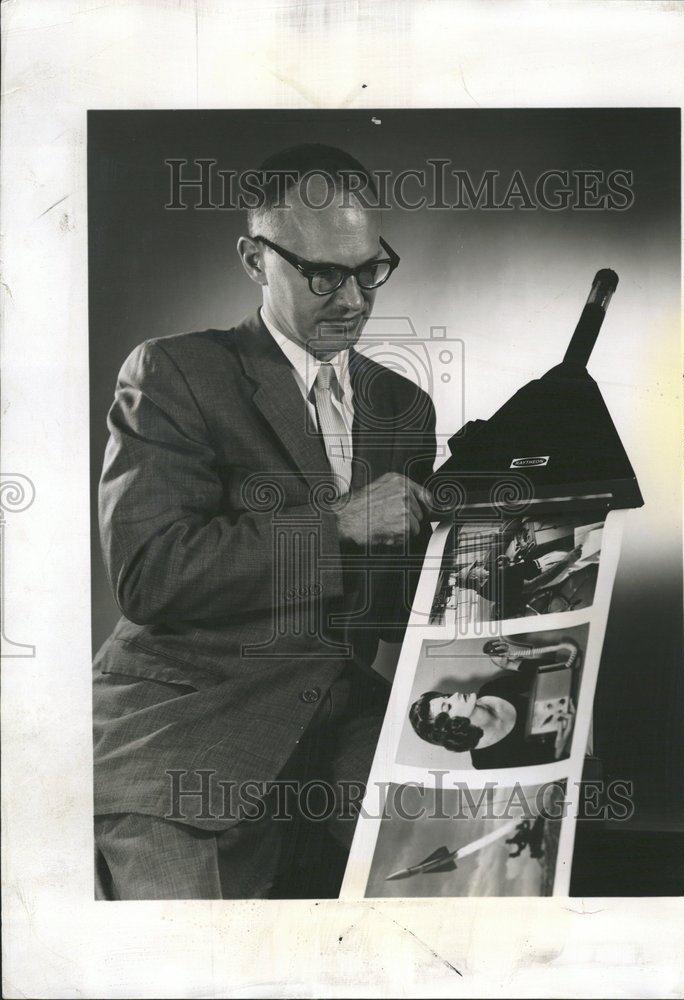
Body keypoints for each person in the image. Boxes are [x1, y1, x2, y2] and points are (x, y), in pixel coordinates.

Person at [92, 143, 437, 899]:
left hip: (338, 718)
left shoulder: (402, 407)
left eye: (368, 269)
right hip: (184, 722)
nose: (350, 300)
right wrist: (338, 525)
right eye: (321, 276)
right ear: (254, 260)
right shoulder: (175, 372)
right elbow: (151, 576)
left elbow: (386, 607)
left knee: (456, 876)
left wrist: (477, 550)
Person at [408, 638, 578, 769]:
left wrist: (512, 664)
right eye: (448, 706)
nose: (456, 695)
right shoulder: (485, 762)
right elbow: (549, 774)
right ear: (450, 727)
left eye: (446, 696)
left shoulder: (492, 689)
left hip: (578, 705)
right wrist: (560, 747)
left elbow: (558, 669)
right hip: (576, 749)